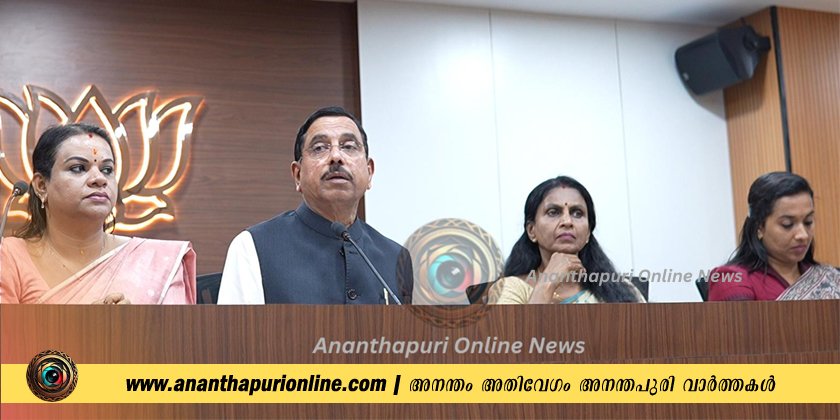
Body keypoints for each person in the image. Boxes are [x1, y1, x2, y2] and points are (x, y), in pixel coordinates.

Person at [218, 106, 413, 304]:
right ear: (297, 175)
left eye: (349, 146)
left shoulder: (396, 259)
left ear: (369, 172)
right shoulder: (252, 247)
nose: (336, 157)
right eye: (319, 148)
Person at [0, 123, 196, 304]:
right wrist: (87, 324)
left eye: (107, 170)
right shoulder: (9, 256)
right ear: (42, 186)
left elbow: (175, 331)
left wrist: (134, 323)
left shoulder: (158, 262)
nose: (99, 179)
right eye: (78, 168)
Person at [490, 176, 644, 304]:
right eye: (553, 212)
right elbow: (516, 333)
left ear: (588, 232)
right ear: (532, 231)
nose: (567, 221)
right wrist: (548, 282)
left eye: (577, 213)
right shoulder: (511, 289)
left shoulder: (619, 290)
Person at [709, 172, 839, 301]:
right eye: (787, 224)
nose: (803, 235)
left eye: (808, 222)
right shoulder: (733, 281)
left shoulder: (831, 278)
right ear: (759, 227)